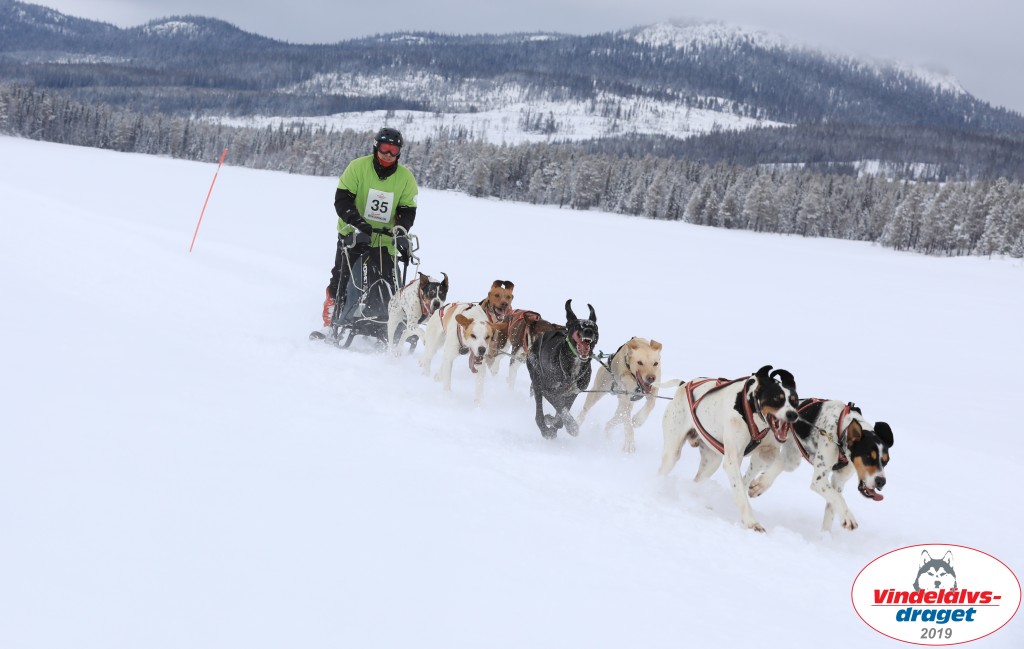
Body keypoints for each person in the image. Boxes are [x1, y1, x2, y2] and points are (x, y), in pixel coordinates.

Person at [322, 127, 419, 327]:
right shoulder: (357, 167)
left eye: (394, 150)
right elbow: (342, 201)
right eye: (384, 148)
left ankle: (385, 320)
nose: (388, 154)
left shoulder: (406, 178)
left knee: (390, 281)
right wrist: (358, 224)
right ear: (376, 147)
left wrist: (401, 231)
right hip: (354, 234)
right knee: (342, 276)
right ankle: (332, 313)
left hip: (385, 240)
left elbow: (408, 210)